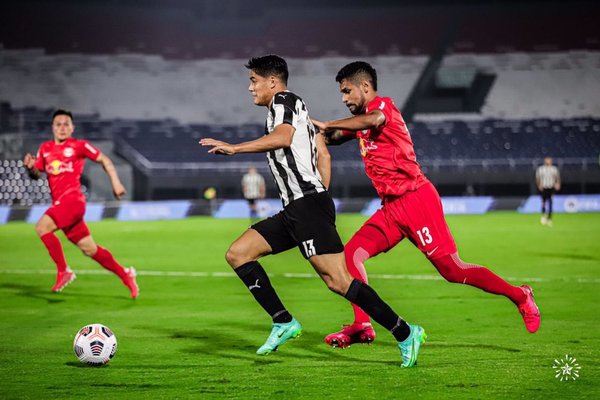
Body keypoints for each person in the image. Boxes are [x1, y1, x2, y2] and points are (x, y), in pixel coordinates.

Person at [200, 55, 425, 367]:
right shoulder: (294, 113)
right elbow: (323, 154)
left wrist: (235, 148)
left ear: (272, 82)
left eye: (254, 80)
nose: (250, 88)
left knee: (339, 282)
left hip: (306, 206)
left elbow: (283, 138)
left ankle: (405, 332)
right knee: (238, 253)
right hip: (299, 207)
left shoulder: (284, 101)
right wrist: (322, 196)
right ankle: (283, 321)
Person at [312, 61, 540, 348]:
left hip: (417, 200)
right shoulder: (359, 123)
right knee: (351, 256)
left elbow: (372, 121)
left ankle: (520, 295)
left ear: (365, 87)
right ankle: (362, 325)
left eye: (347, 91)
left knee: (453, 271)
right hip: (392, 209)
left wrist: (329, 124)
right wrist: (306, 129)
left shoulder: (383, 108)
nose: (344, 99)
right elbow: (332, 137)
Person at [23, 109, 139, 299]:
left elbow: (104, 159)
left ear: (72, 127)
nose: (62, 127)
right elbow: (37, 173)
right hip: (61, 204)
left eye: (66, 124)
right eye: (58, 124)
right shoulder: (45, 149)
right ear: (53, 127)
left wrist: (116, 183)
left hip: (73, 200)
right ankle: (126, 274)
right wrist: (30, 168)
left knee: (42, 228)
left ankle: (64, 271)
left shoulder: (79, 146)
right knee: (90, 249)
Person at [536, 156, 560, 226]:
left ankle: (549, 218)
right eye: (547, 160)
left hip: (551, 187)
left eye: (549, 160)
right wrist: (539, 185)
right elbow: (537, 178)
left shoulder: (554, 169)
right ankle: (543, 216)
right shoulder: (541, 169)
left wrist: (557, 184)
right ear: (545, 161)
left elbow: (557, 177)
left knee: (551, 202)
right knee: (543, 202)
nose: (548, 161)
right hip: (544, 187)